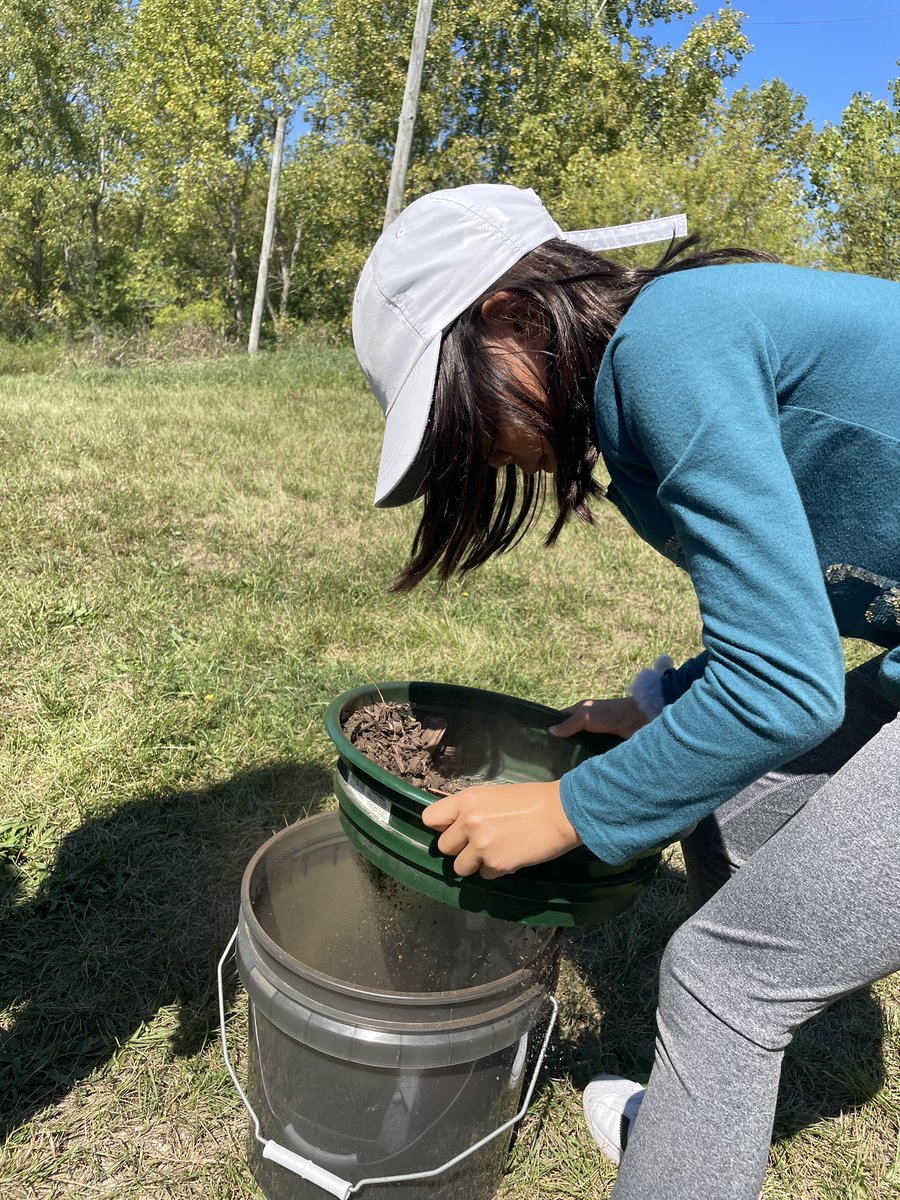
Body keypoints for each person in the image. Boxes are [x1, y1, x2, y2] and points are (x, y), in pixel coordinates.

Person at [351, 183, 900, 1200]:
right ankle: (704, 1116)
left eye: (458, 417)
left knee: (724, 982)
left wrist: (573, 806)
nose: (480, 452)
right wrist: (662, 703)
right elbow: (809, 598)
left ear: (511, 315)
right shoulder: (657, 372)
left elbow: (783, 689)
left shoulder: (669, 348)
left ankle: (715, 1070)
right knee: (725, 798)